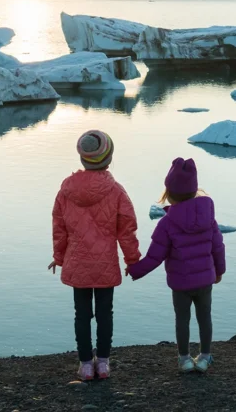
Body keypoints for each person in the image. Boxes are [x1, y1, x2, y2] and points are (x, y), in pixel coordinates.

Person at [49, 130, 140, 381]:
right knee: (104, 314)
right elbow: (127, 228)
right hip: (105, 264)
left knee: (81, 315)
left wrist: (59, 257)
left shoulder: (66, 190)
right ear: (108, 159)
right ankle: (103, 363)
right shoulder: (116, 191)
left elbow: (59, 227)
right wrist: (132, 260)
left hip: (77, 263)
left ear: (83, 159)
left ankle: (86, 365)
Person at [128, 157, 226, 373]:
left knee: (182, 319)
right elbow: (218, 247)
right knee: (205, 318)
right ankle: (205, 357)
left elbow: (155, 256)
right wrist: (219, 271)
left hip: (180, 282)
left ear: (169, 193)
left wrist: (135, 269)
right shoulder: (209, 217)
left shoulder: (167, 223)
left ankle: (184, 359)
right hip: (205, 279)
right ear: (194, 189)